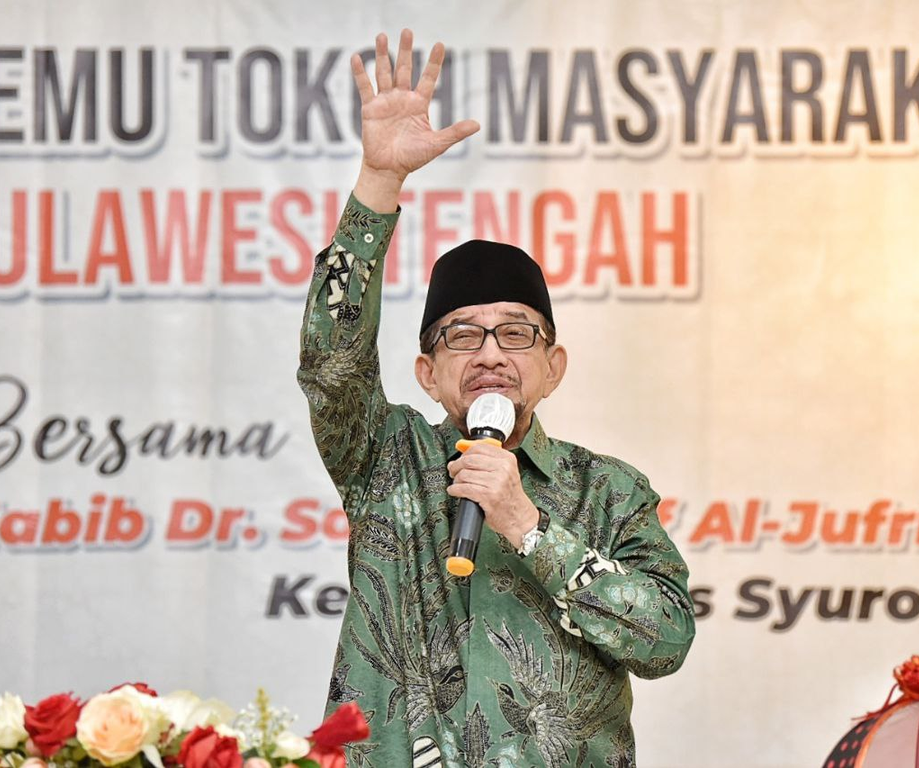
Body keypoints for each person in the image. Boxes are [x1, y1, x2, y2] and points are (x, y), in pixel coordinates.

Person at [297, 28, 695, 768]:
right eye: (461, 336)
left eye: (515, 335)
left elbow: (667, 639)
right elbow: (331, 363)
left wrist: (527, 525)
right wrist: (378, 183)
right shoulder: (385, 461)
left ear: (553, 366)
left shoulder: (609, 492)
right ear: (426, 373)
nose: (488, 353)